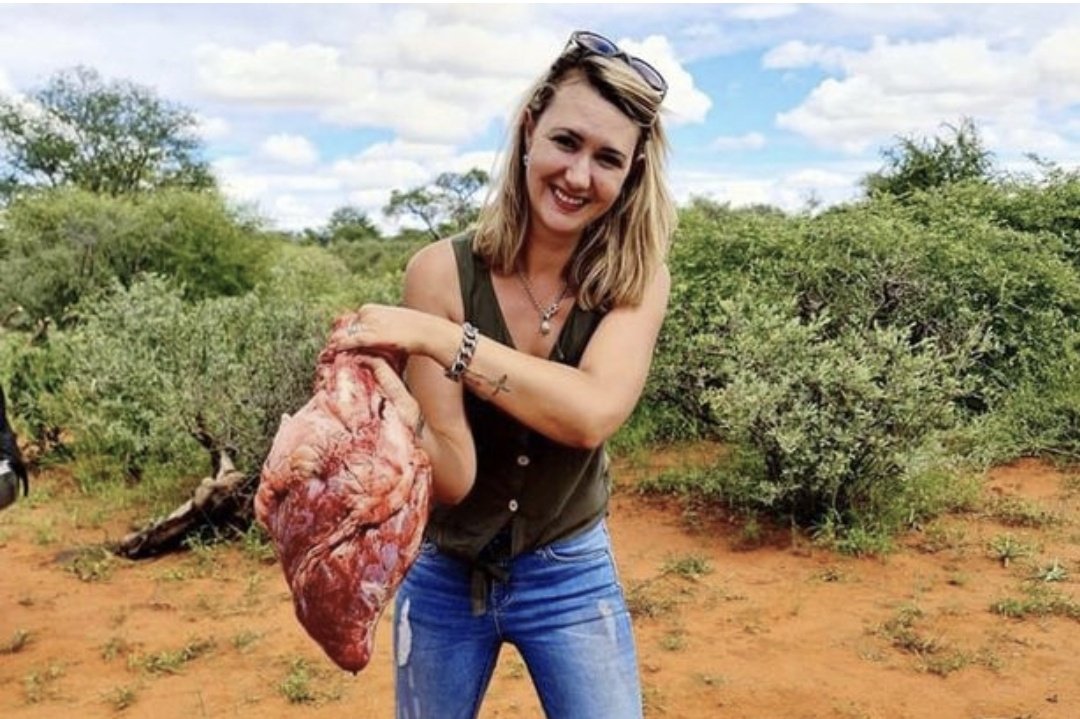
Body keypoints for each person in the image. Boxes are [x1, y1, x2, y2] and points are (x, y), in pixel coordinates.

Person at [330, 29, 675, 719]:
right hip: (445, 571)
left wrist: (440, 339)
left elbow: (590, 414)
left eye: (609, 158)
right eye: (567, 142)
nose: (580, 176)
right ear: (528, 130)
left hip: (570, 568)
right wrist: (394, 413)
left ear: (632, 173)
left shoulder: (637, 278)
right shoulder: (439, 272)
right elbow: (453, 474)